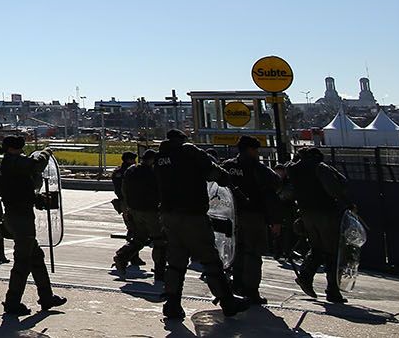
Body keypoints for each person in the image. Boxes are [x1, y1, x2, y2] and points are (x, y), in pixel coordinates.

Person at [154, 129, 249, 320]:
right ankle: (227, 302)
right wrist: (226, 179)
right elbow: (214, 172)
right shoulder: (189, 150)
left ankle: (172, 304)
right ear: (182, 139)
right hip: (192, 213)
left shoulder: (160, 157)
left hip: (168, 214)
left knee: (176, 261)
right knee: (210, 258)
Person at [0, 135, 67, 316]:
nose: (22, 151)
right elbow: (36, 164)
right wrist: (45, 152)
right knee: (22, 262)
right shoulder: (14, 162)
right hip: (20, 219)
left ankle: (46, 297)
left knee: (36, 258)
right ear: (13, 149)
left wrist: (35, 198)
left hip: (17, 216)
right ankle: (12, 302)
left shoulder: (10, 165)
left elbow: (20, 189)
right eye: (20, 148)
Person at [285, 146, 354, 303]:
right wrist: (348, 203)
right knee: (332, 251)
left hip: (306, 213)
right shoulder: (320, 167)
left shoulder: (293, 169)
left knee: (317, 248)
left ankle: (306, 276)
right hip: (325, 212)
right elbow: (336, 188)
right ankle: (332, 290)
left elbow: (289, 191)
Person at [220, 135, 282, 303]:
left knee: (236, 252)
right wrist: (275, 220)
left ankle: (237, 284)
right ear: (250, 150)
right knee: (253, 254)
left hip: (231, 216)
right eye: (256, 150)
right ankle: (251, 290)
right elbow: (275, 185)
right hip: (253, 215)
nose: (257, 153)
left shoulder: (228, 166)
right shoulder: (257, 168)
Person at [113, 149, 165, 279]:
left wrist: (129, 206)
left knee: (138, 238)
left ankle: (121, 256)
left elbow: (123, 189)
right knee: (160, 241)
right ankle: (160, 271)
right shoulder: (153, 172)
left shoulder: (131, 170)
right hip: (151, 211)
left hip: (135, 210)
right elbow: (160, 191)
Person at [111, 152, 143, 267]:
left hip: (125, 202)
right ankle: (131, 255)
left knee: (133, 228)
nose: (135, 161)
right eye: (133, 159)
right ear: (129, 160)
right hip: (129, 203)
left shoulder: (118, 171)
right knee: (133, 228)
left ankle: (133, 255)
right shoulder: (130, 172)